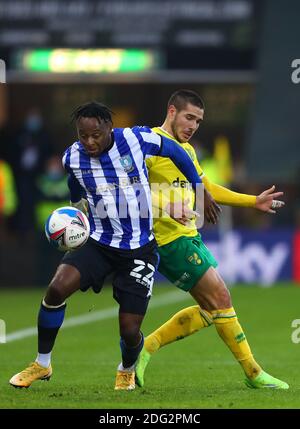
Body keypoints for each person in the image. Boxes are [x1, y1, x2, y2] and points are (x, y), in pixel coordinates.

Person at [9, 101, 209, 391]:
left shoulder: (135, 139)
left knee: (129, 330)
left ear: (108, 128)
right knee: (56, 289)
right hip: (99, 242)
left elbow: (175, 151)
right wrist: (76, 208)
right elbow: (74, 181)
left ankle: (127, 367)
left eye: (95, 135)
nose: (89, 142)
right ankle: (42, 363)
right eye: (82, 135)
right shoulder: (72, 157)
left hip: (139, 248)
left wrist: (198, 186)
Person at [135, 89, 288, 390]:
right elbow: (131, 192)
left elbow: (207, 189)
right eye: (189, 117)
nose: (193, 125)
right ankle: (253, 372)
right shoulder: (149, 145)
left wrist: (252, 200)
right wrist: (166, 205)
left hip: (188, 236)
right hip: (168, 241)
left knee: (211, 309)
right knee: (221, 299)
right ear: (171, 112)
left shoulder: (187, 152)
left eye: (199, 121)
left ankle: (144, 348)